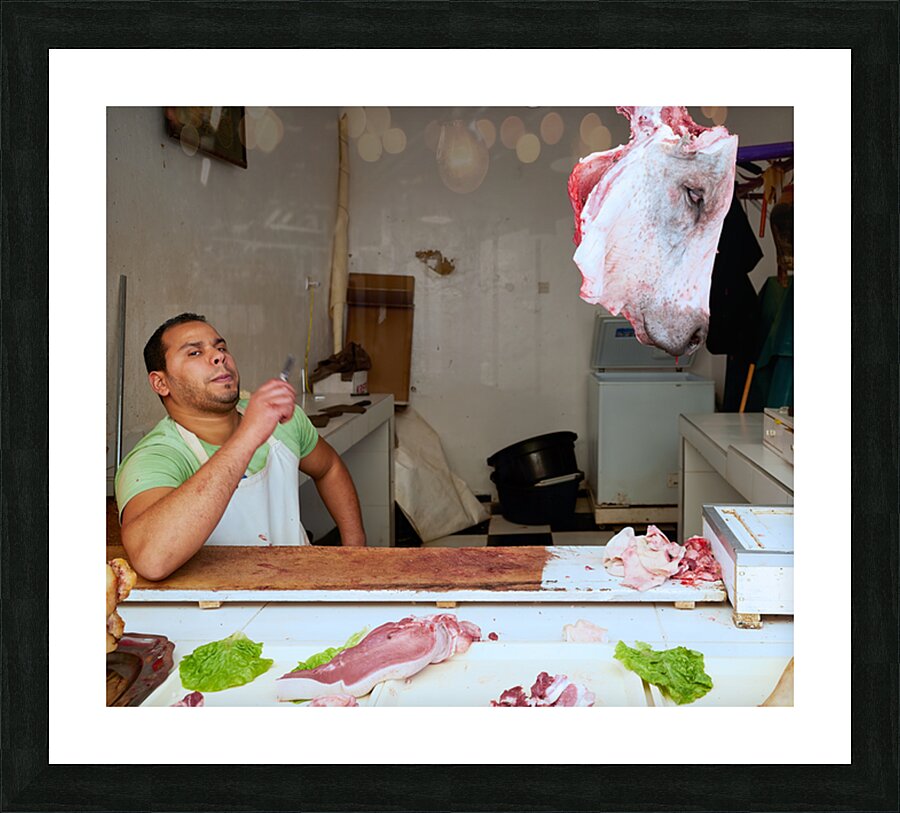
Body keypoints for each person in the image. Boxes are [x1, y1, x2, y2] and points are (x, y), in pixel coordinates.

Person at [115, 313, 366, 580]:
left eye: (220, 348)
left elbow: (329, 468)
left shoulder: (281, 421)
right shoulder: (154, 458)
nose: (218, 357)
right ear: (160, 383)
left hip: (298, 591)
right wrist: (249, 434)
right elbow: (152, 560)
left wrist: (356, 552)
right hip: (221, 613)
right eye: (195, 353)